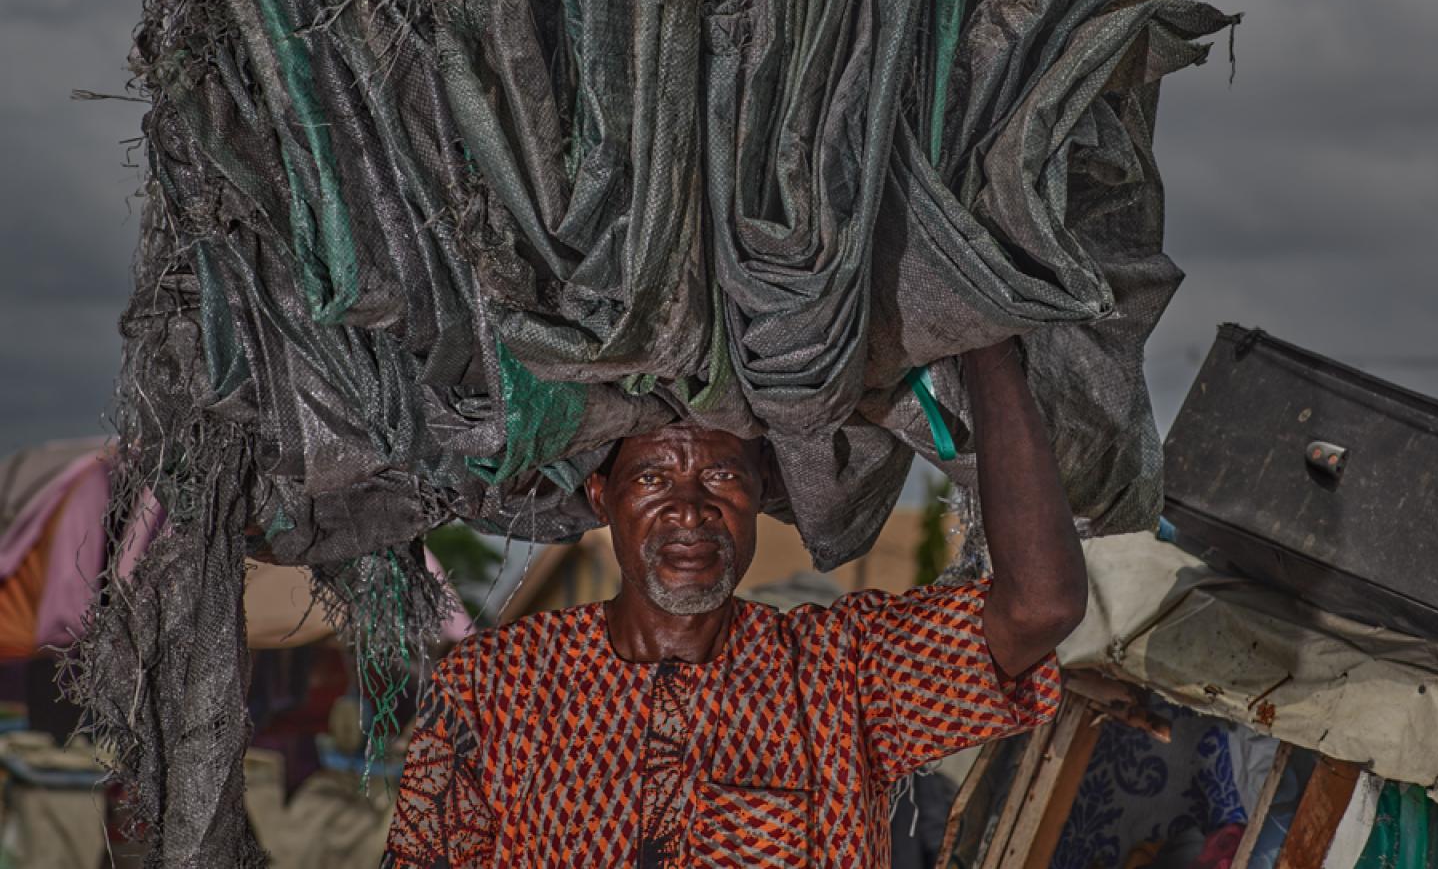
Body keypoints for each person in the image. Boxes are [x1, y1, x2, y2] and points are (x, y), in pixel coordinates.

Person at [381, 339, 1087, 867]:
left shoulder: (842, 674)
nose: (689, 510)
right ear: (602, 498)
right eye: (652, 477)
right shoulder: (494, 687)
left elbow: (1040, 609)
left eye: (721, 475)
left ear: (759, 495)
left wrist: (986, 344)